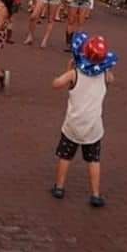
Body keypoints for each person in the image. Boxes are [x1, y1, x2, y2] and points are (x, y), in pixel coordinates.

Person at [49, 33, 117, 207]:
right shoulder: (104, 75)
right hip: (93, 127)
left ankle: (59, 186)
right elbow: (111, 79)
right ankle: (95, 193)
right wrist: (105, 68)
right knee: (94, 160)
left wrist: (68, 69)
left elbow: (56, 84)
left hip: (73, 125)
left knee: (65, 157)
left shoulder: (74, 74)